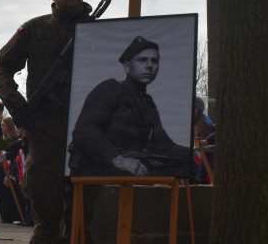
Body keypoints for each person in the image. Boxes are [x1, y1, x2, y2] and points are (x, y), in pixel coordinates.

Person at [0, 0, 94, 244]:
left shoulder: (100, 30)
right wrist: (18, 106)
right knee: (47, 218)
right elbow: (1, 68)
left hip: (89, 135)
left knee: (85, 219)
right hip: (45, 134)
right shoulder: (35, 30)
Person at [69, 36, 192, 178]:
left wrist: (191, 154)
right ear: (127, 66)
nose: (149, 66)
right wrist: (117, 159)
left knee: (185, 168)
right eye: (142, 60)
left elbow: (162, 144)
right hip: (101, 168)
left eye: (154, 61)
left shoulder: (147, 102)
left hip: (130, 168)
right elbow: (83, 131)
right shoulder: (111, 88)